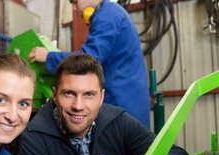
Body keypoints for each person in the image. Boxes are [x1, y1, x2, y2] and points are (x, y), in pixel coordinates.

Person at [19, 53, 188, 155]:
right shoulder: (33, 137)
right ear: (55, 95)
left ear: (101, 98)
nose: (78, 106)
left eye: (89, 95)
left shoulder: (117, 120)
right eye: (69, 93)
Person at [28, 0, 150, 129]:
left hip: (120, 97)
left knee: (123, 144)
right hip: (129, 94)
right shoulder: (112, 12)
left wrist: (48, 57)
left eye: (75, 3)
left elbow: (90, 58)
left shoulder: (107, 16)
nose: (74, 8)